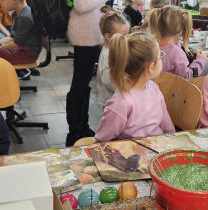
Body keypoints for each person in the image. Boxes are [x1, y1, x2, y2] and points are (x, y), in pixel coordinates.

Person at [94, 32, 175, 142]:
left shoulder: (153, 88)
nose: (162, 58)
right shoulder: (121, 103)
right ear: (151, 67)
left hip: (157, 148)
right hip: (131, 155)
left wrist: (174, 140)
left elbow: (166, 124)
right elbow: (101, 141)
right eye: (160, 56)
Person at [65, 0, 106, 147]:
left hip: (90, 33)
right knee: (79, 83)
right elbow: (81, 5)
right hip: (84, 34)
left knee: (84, 82)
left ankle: (82, 127)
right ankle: (75, 133)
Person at [148, 5, 208, 79]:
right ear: (181, 30)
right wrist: (201, 59)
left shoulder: (151, 45)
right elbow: (186, 77)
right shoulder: (177, 53)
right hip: (169, 90)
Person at [0, 0, 42, 66]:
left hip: (27, 55)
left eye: (2, 0)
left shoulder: (24, 17)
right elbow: (12, 36)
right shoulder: (16, 13)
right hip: (20, 49)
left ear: (15, 1)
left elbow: (16, 43)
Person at [97, 6, 130, 107]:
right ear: (108, 36)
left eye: (128, 34)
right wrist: (126, 86)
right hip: (111, 100)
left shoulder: (115, 48)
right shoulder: (108, 55)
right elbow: (108, 81)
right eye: (123, 35)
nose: (127, 38)